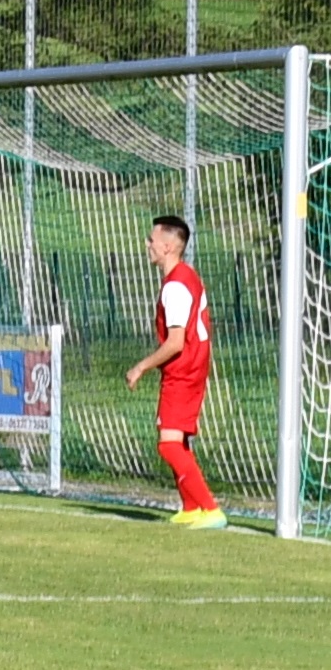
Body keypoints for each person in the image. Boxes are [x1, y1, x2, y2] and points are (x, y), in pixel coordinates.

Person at [126, 215, 226, 529]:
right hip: (189, 369)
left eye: (152, 240)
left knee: (168, 444)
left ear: (168, 246)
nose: (147, 245)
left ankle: (211, 509)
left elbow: (175, 342)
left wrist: (141, 366)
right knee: (176, 441)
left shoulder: (177, 286)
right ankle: (191, 507)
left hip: (184, 371)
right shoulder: (186, 276)